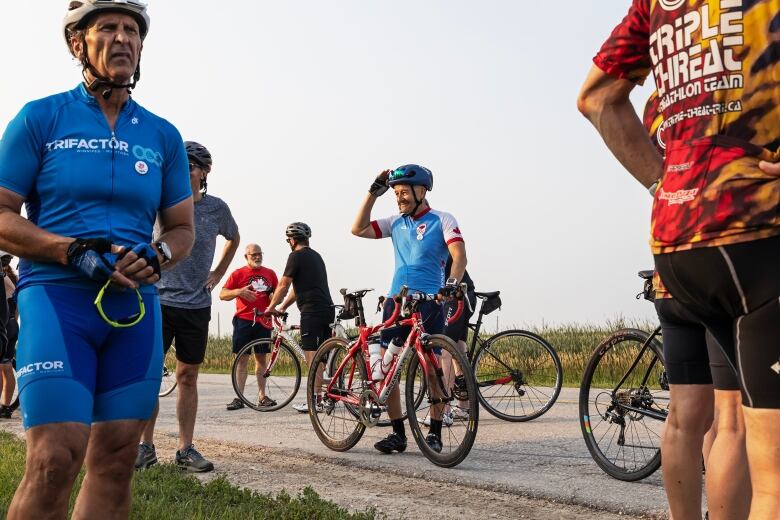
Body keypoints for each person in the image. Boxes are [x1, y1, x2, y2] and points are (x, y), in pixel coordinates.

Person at [578, 2, 779, 517]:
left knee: (690, 418)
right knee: (735, 424)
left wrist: (660, 185)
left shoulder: (657, 97)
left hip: (675, 254)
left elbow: (596, 97)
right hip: (752, 234)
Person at [0, 1, 194, 517]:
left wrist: (158, 255)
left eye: (131, 29)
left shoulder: (161, 135)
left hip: (134, 307)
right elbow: (1, 214)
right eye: (107, 27)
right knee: (55, 456)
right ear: (77, 44)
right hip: (56, 300)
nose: (122, 38)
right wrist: (70, 250)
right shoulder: (40, 117)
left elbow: (182, 229)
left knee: (116, 456)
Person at [136, 141, 239, 472]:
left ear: (204, 172)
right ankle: (145, 447)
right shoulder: (158, 204)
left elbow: (234, 237)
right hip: (158, 299)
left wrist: (219, 272)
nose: (184, 171)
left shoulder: (216, 209)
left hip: (196, 304)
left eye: (191, 166)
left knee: (188, 376)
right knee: (150, 376)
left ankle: (185, 450)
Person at [351, 164, 467, 454]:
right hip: (395, 302)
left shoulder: (443, 219)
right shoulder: (395, 222)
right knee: (390, 371)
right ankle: (398, 433)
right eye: (396, 193)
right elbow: (358, 228)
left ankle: (435, 432)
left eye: (404, 192)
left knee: (432, 370)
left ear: (421, 191)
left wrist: (451, 284)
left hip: (429, 303)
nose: (399, 197)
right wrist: (372, 193)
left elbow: (459, 255)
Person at [266, 222, 334, 413]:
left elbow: (283, 285)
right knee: (321, 358)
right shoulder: (316, 257)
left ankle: (316, 402)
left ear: (292, 240)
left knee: (312, 358)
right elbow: (296, 290)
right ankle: (325, 396)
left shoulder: (295, 256)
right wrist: (281, 307)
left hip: (311, 311)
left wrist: (270, 307)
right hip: (326, 309)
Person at [220, 243, 278, 410]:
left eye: (260, 254)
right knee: (241, 359)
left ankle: (262, 396)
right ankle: (239, 397)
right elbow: (222, 294)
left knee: (261, 358)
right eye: (254, 255)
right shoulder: (238, 273)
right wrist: (238, 292)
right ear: (246, 257)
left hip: (263, 321)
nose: (257, 257)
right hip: (243, 321)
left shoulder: (270, 274)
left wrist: (274, 302)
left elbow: (277, 293)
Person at [0, 253, 19, 419]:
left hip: (5, 326)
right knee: (4, 368)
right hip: (11, 324)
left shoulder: (4, 279)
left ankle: (5, 407)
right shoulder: (12, 278)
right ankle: (5, 407)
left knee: (4, 368)